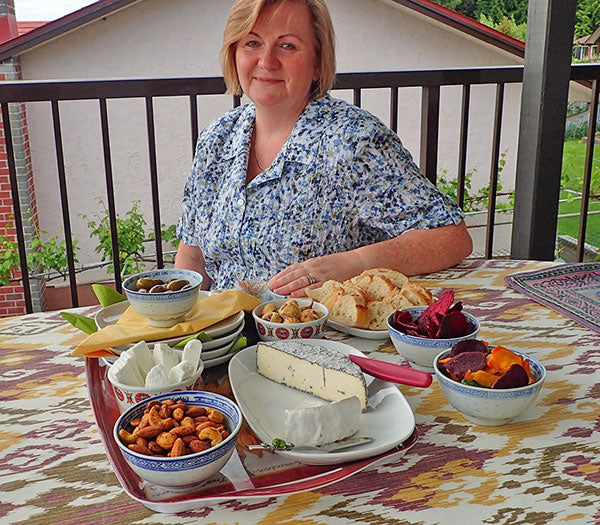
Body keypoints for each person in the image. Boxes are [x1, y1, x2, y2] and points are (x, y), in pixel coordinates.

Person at [175, 0, 472, 297]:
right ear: (234, 53)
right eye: (252, 42)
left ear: (318, 63)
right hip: (224, 335)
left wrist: (355, 263)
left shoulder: (352, 140)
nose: (266, 61)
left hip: (320, 336)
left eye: (288, 46)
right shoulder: (217, 137)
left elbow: (450, 237)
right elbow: (192, 255)